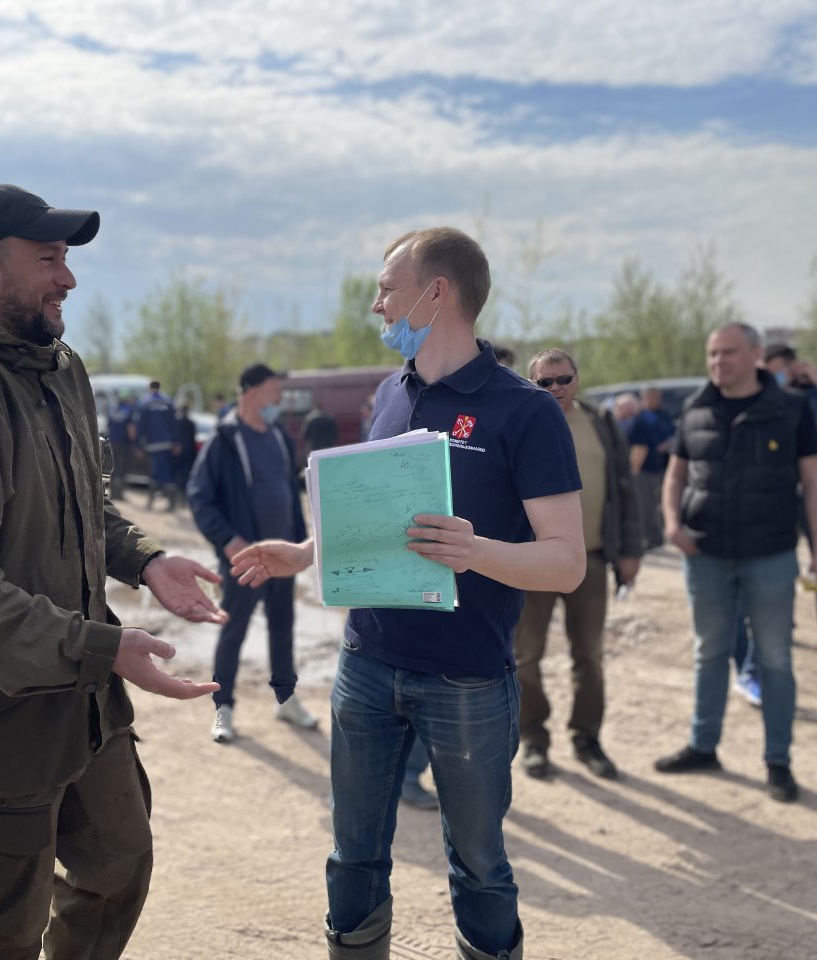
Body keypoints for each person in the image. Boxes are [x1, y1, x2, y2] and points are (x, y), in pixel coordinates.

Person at [0, 182, 226, 960]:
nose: (67, 278)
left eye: (65, 258)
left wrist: (146, 559)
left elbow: (83, 503)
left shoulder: (60, 368)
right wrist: (101, 647)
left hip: (84, 702)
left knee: (119, 867)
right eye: (47, 260)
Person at [231, 227, 584, 960]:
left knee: (479, 867)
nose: (377, 305)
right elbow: (380, 518)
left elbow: (566, 563)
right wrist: (306, 551)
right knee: (353, 857)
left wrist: (475, 551)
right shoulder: (391, 393)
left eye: (387, 288)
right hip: (366, 666)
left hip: (469, 680)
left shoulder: (527, 412)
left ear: (437, 292)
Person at [655, 323, 817, 804]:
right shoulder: (696, 408)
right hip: (705, 555)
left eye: (728, 352)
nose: (718, 362)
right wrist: (671, 524)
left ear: (755, 355)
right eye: (712, 354)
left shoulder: (790, 409)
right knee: (708, 652)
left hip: (770, 555)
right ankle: (703, 746)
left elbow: (815, 482)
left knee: (775, 659)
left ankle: (778, 761)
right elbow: (675, 475)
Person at [514, 349, 643, 781]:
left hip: (591, 558)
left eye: (563, 379)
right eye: (543, 382)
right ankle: (534, 739)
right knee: (525, 656)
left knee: (589, 655)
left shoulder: (600, 422)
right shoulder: (519, 423)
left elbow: (623, 488)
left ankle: (586, 739)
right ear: (530, 384)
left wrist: (630, 550)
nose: (555, 388)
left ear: (577, 379)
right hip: (534, 561)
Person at [187, 362, 317, 744]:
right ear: (252, 391)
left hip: (282, 558)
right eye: (275, 389)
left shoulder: (278, 436)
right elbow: (199, 497)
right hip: (245, 561)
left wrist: (299, 543)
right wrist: (229, 541)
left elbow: (289, 493)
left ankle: (286, 699)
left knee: (283, 629)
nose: (279, 398)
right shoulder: (224, 439)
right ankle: (222, 707)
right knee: (233, 631)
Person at [761, 343, 817, 660]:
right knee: (776, 562)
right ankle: (780, 623)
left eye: (779, 370)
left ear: (794, 365)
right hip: (782, 493)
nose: (776, 376)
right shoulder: (771, 399)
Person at [628, 386, 675, 550]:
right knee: (647, 504)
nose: (655, 401)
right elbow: (639, 447)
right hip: (645, 468)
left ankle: (657, 537)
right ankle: (653, 538)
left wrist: (667, 444)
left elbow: (673, 436)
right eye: (651, 397)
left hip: (663, 467)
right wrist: (634, 470)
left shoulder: (664, 416)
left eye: (657, 397)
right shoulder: (640, 419)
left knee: (656, 504)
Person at [135, 380, 177, 509]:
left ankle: (152, 501)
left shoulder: (144, 402)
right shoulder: (168, 401)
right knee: (165, 471)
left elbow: (140, 425)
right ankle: (170, 502)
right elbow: (174, 423)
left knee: (155, 472)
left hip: (152, 443)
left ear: (149, 388)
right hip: (167, 443)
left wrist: (138, 445)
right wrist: (176, 441)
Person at [105, 391, 137, 500]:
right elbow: (130, 428)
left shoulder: (111, 409)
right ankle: (119, 494)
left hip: (113, 442)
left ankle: (113, 494)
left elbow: (108, 427)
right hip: (124, 443)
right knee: (122, 468)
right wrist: (135, 443)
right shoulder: (128, 409)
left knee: (113, 468)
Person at [171, 403, 197, 510]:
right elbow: (193, 439)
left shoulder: (177, 422)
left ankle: (177, 499)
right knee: (186, 476)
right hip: (189, 452)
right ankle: (183, 499)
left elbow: (175, 437)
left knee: (177, 475)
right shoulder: (191, 423)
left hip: (179, 453)